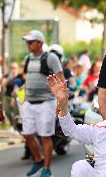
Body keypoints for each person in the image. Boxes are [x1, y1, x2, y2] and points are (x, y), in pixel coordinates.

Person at [22, 30, 64, 177]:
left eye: (30, 42)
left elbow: (60, 80)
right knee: (27, 134)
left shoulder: (50, 58)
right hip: (29, 102)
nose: (28, 44)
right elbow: (27, 78)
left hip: (46, 103)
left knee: (45, 137)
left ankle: (46, 169)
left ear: (39, 42)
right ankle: (38, 160)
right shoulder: (28, 58)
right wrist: (24, 99)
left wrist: (60, 102)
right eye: (27, 42)